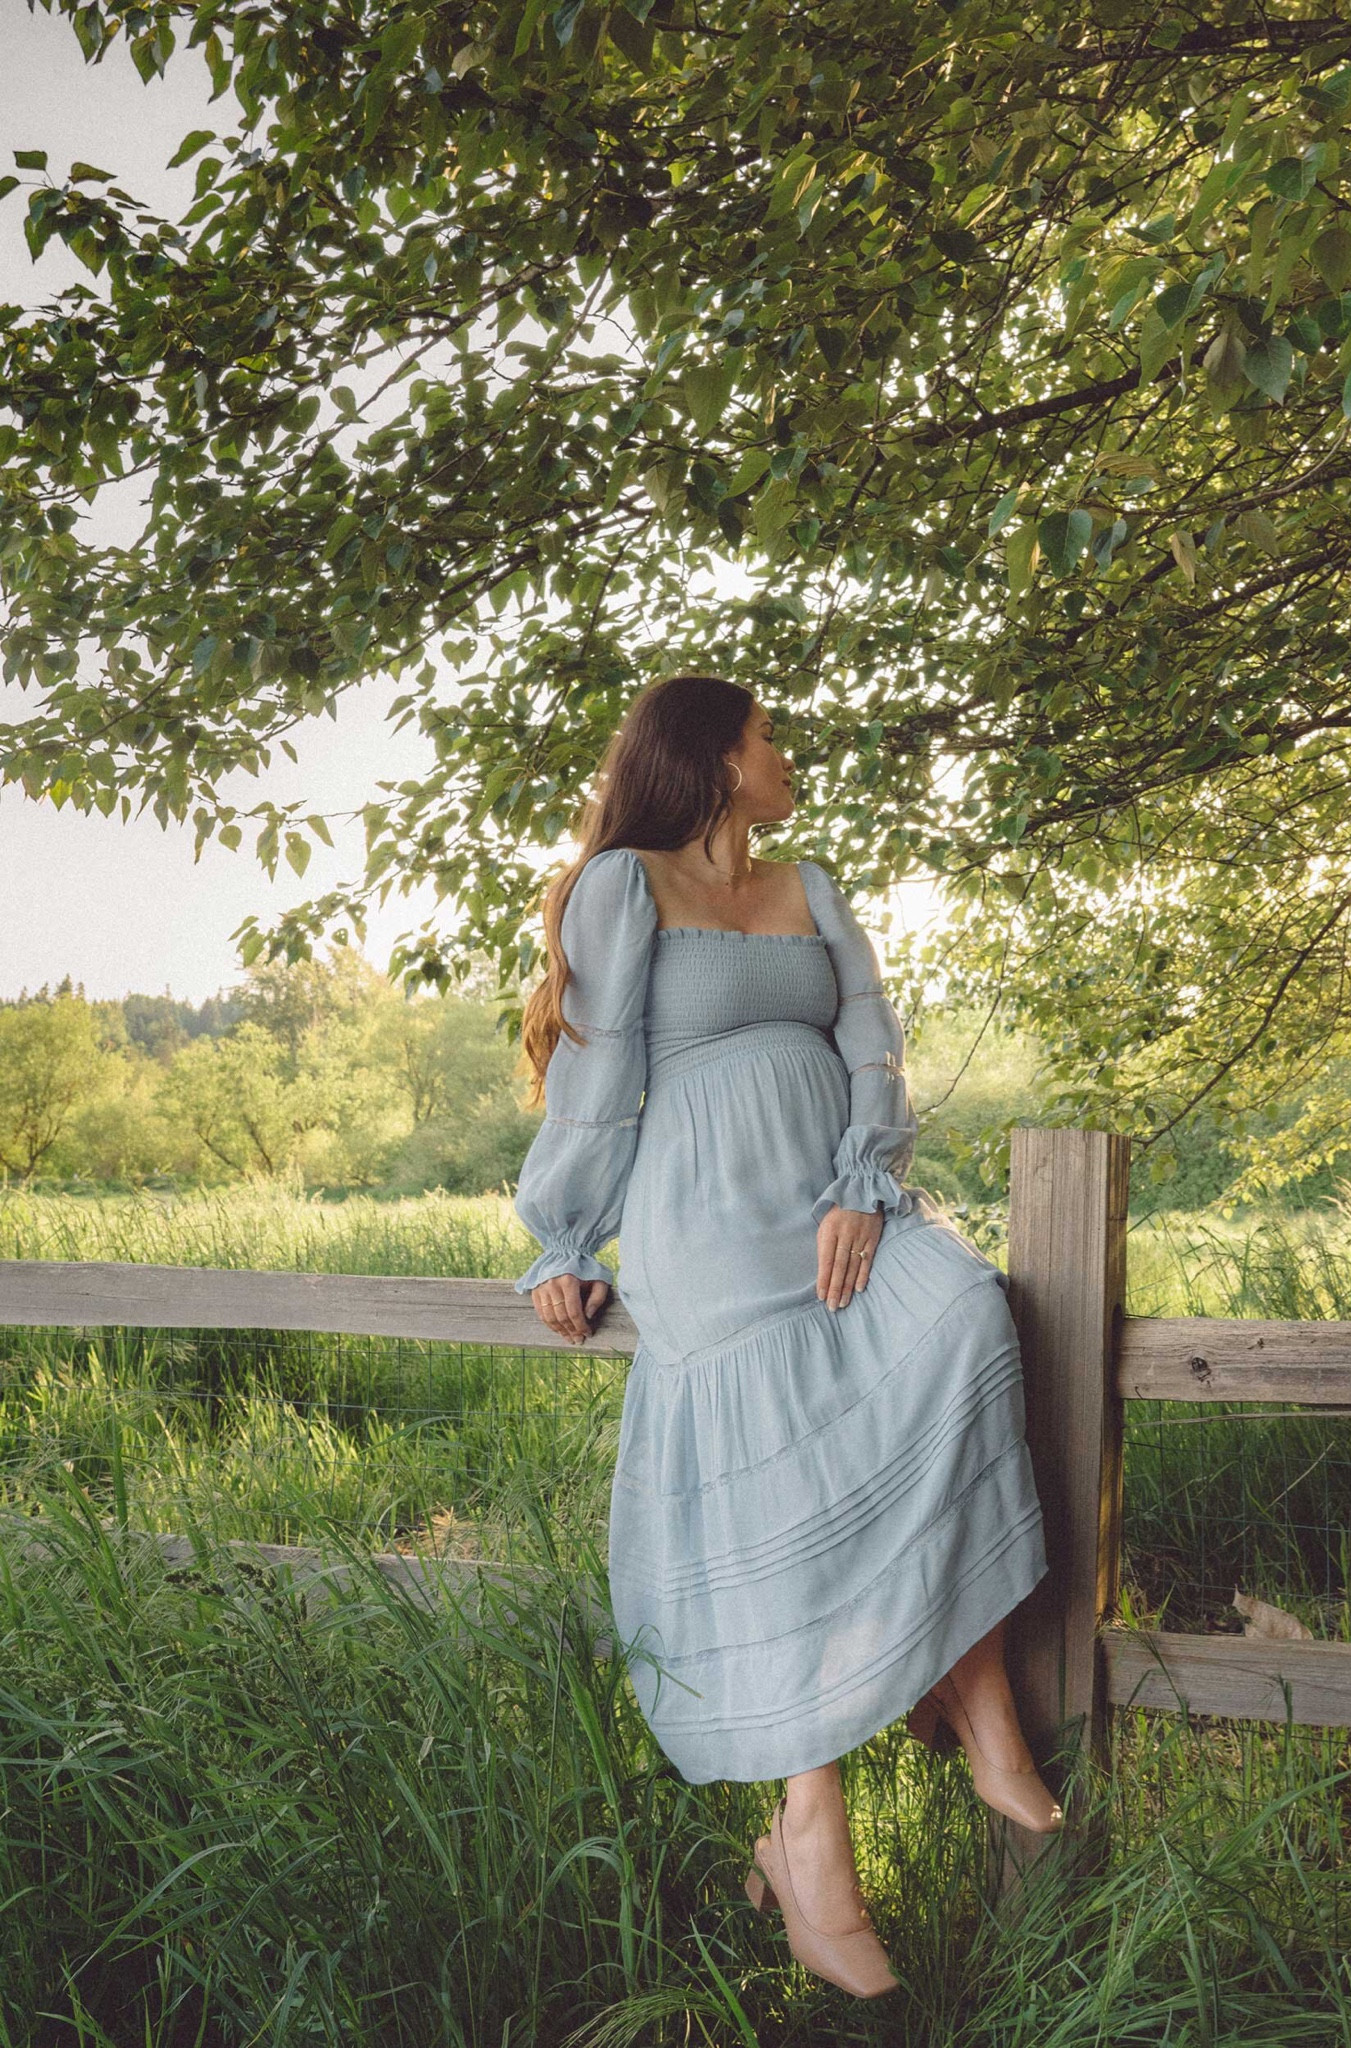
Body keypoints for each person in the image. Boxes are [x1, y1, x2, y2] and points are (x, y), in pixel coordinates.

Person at [512, 673, 1059, 1999]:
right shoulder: (622, 887)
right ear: (712, 758)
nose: (787, 755)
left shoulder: (810, 885)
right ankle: (812, 1835)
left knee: (968, 1320)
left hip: (836, 1205)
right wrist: (566, 1241)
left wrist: (864, 1184)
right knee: (772, 1485)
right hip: (702, 1215)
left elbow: (876, 1045)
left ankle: (965, 1686)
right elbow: (593, 1086)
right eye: (769, 738)